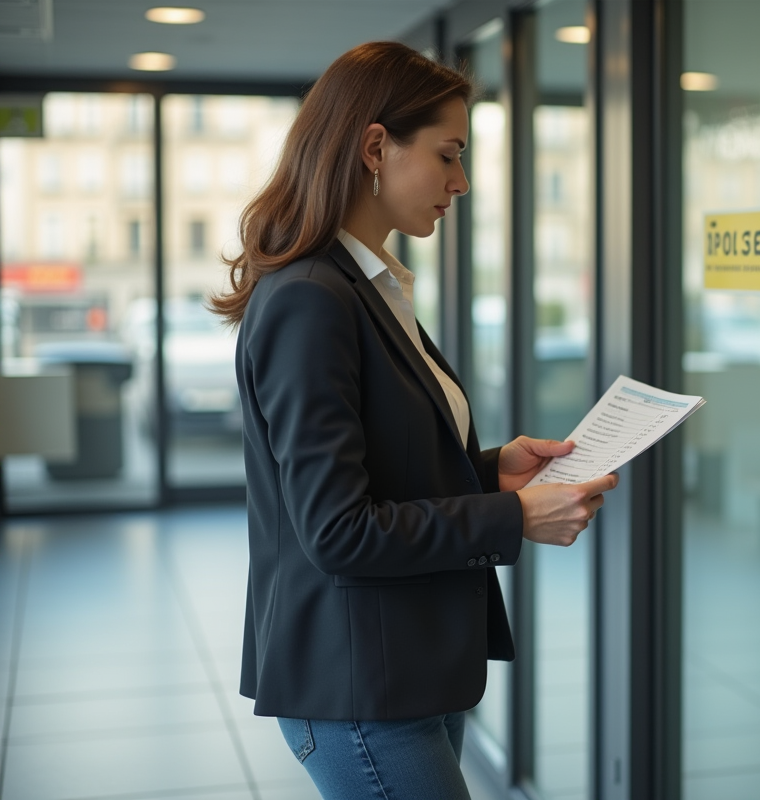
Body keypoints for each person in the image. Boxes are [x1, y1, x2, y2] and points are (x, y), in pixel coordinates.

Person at [210, 41, 618, 799]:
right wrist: (511, 516)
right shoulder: (311, 298)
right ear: (374, 147)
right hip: (358, 683)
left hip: (405, 662)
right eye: (448, 155)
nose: (461, 182)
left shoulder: (365, 286)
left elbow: (383, 463)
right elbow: (337, 530)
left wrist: (492, 467)